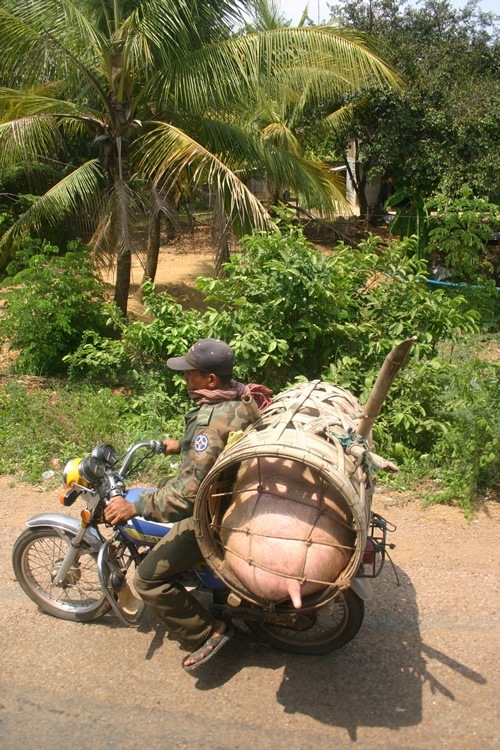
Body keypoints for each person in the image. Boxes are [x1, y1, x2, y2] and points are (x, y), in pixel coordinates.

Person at [104, 338, 272, 672]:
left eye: (190, 374)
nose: (184, 379)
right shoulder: (240, 396)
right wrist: (179, 444)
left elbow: (187, 496)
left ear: (210, 380)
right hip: (237, 498)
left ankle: (207, 631)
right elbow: (224, 437)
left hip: (213, 517)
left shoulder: (209, 421)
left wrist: (135, 507)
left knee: (148, 580)